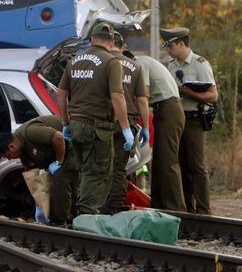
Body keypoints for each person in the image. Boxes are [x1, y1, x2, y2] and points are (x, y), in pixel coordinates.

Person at [56, 21, 132, 215]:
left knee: (84, 171)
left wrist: (65, 123)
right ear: (112, 40)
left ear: (91, 39)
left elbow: (61, 93)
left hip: (75, 125)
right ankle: (86, 216)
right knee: (99, 172)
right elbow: (117, 96)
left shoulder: (74, 61)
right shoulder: (111, 62)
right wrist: (125, 128)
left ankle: (81, 213)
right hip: (97, 128)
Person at [161, 27, 218, 215]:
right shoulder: (171, 66)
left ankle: (204, 210)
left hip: (194, 119)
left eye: (170, 46)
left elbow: (213, 96)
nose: (168, 50)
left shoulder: (200, 64)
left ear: (181, 44)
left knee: (197, 166)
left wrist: (190, 93)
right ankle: (187, 208)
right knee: (181, 164)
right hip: (177, 120)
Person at [0, 115, 79, 224]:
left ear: (11, 147)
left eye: (9, 156)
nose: (10, 159)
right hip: (57, 154)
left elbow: (58, 137)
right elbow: (33, 176)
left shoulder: (30, 132)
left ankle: (62, 221)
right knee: (52, 186)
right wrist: (40, 205)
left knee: (59, 181)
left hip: (69, 147)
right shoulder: (21, 149)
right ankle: (68, 217)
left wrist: (59, 161)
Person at [134, 52, 187, 211]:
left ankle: (176, 209)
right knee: (159, 161)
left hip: (168, 109)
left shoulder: (140, 64)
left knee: (167, 160)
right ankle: (159, 205)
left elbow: (143, 94)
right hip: (165, 108)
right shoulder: (146, 61)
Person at [105, 32, 149, 213]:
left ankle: (94, 209)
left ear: (108, 44)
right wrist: (145, 126)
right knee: (119, 169)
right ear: (123, 47)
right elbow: (142, 100)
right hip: (127, 124)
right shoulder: (135, 66)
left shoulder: (101, 62)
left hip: (101, 121)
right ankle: (114, 208)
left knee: (98, 167)